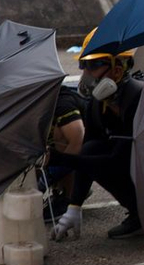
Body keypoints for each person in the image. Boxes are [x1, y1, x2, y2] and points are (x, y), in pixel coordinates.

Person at [49, 29, 143, 240]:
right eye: (84, 65)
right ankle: (140, 213)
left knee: (104, 158)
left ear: (118, 69)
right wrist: (74, 205)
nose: (87, 73)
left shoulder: (138, 100)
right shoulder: (97, 106)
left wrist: (61, 159)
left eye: (94, 65)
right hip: (140, 174)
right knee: (91, 148)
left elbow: (115, 162)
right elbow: (87, 154)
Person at [39, 85, 86, 221]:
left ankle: (67, 197)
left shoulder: (61, 103)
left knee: (61, 136)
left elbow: (78, 140)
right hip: (83, 159)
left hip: (92, 152)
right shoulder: (38, 102)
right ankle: (73, 187)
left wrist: (50, 175)